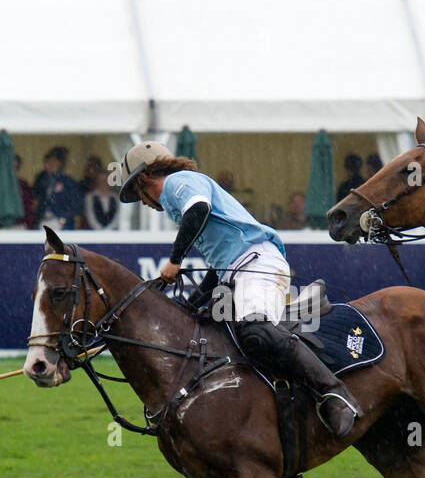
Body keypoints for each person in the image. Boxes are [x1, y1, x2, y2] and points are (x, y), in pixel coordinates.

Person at [118, 141, 362, 437]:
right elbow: (218, 267)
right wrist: (190, 305)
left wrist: (174, 260)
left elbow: (199, 209)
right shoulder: (183, 196)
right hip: (238, 270)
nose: (142, 201)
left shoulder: (175, 183)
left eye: (136, 192)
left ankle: (334, 394)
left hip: (257, 262)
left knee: (255, 330)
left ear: (145, 177)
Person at [34, 147, 81, 230]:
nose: (51, 164)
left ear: (60, 164)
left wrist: (63, 219)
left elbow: (75, 204)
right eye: (48, 161)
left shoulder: (68, 181)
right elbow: (36, 201)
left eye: (54, 161)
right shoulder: (40, 180)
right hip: (43, 222)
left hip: (62, 224)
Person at [81, 155, 120, 230]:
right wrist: (100, 231)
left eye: (106, 180)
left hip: (113, 235)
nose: (104, 183)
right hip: (95, 235)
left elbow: (117, 216)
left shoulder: (115, 197)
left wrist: (109, 230)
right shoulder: (90, 197)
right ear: (97, 181)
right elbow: (90, 216)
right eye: (102, 180)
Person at [13, 154, 37, 229]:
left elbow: (29, 207)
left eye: (15, 168)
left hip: (20, 226)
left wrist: (28, 225)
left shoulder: (23, 185)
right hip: (1, 227)